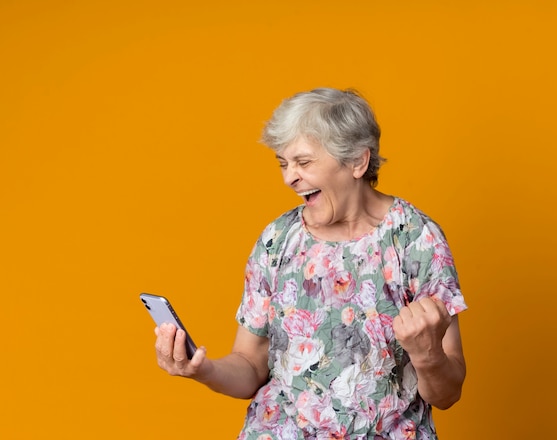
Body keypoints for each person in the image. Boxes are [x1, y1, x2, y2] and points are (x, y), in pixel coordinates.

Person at [154, 87, 468, 439]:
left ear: (357, 162)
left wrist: (427, 357)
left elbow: (448, 394)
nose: (290, 177)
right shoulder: (277, 239)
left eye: (303, 162)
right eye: (283, 164)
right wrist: (203, 369)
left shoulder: (416, 239)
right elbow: (251, 365)